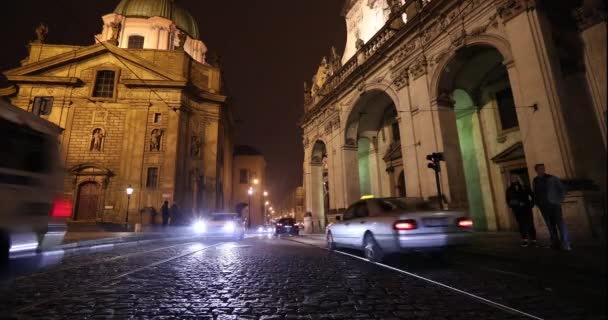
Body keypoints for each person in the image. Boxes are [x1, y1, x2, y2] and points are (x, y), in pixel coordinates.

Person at [532, 164, 570, 251]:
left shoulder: (552, 178)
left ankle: (565, 243)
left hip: (554, 205)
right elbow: (535, 192)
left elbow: (562, 188)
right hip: (544, 206)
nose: (542, 170)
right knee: (550, 225)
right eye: (540, 169)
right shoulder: (535, 180)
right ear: (536, 170)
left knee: (560, 224)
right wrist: (537, 203)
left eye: (543, 168)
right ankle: (555, 243)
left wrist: (559, 200)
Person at [506, 176, 537, 247]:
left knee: (530, 223)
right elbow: (508, 200)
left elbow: (532, 195)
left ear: (518, 179)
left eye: (514, 178)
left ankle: (533, 240)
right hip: (517, 209)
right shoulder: (509, 189)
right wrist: (514, 205)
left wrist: (531, 204)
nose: (513, 179)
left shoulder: (524, 187)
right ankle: (524, 240)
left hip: (526, 208)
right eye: (512, 178)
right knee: (521, 225)